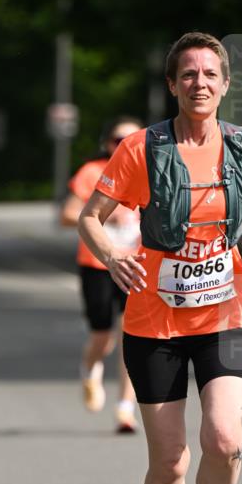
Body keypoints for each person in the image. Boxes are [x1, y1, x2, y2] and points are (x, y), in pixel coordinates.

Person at [78, 32, 242, 484]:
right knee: (169, 462)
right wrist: (111, 256)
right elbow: (93, 218)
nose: (200, 83)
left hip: (224, 313)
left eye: (210, 74)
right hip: (154, 320)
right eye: (188, 74)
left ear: (225, 83)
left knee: (225, 439)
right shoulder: (142, 148)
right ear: (172, 85)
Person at [61, 117, 142, 433]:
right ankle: (90, 368)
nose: (123, 146)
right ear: (107, 143)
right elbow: (69, 215)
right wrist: (103, 220)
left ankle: (125, 409)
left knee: (132, 338)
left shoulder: (150, 172)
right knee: (102, 336)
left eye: (131, 140)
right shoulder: (93, 172)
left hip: (136, 264)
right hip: (97, 264)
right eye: (117, 140)